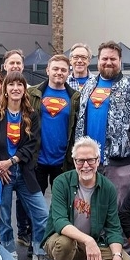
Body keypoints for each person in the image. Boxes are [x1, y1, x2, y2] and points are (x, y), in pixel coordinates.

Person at [42, 136, 130, 260]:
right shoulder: (61, 182)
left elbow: (113, 228)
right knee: (65, 242)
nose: (86, 165)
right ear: (74, 161)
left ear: (98, 160)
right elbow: (60, 221)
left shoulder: (108, 188)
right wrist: (88, 241)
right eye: (80, 161)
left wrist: (117, 257)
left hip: (91, 241)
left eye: (90, 160)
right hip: (60, 240)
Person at [0, 71, 54, 260]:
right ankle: (9, 255)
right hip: (1, 174)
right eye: (11, 84)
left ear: (24, 89)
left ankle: (39, 256)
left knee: (42, 214)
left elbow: (33, 145)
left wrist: (12, 161)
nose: (16, 88)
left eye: (20, 84)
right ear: (5, 89)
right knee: (3, 218)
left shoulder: (32, 114)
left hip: (24, 172)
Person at [75, 40, 130, 207]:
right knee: (89, 209)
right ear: (98, 61)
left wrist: (127, 142)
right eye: (104, 58)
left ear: (120, 61)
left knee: (119, 210)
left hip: (119, 163)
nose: (108, 62)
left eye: (113, 59)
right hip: (90, 162)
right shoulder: (88, 86)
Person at [28, 54, 80, 194]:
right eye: (55, 69)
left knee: (62, 202)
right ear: (47, 70)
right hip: (37, 159)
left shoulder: (75, 98)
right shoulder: (32, 94)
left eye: (63, 70)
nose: (59, 72)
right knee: (34, 203)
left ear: (68, 72)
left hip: (63, 161)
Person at [1, 49, 32, 249]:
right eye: (11, 63)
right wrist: (1, 163)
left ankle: (24, 233)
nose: (15, 66)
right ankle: (4, 246)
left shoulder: (29, 96)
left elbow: (32, 139)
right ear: (5, 65)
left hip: (23, 163)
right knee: (2, 208)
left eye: (18, 63)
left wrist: (15, 160)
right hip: (1, 165)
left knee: (28, 204)